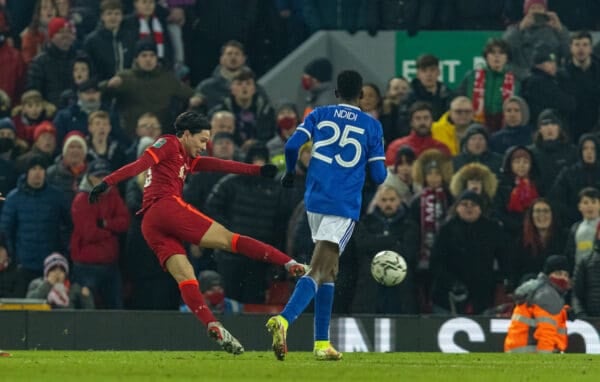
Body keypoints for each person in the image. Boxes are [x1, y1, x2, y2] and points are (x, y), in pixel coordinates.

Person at [88, 111, 307, 354]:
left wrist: (254, 171)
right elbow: (141, 163)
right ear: (186, 134)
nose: (205, 146)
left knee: (186, 276)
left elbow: (216, 164)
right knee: (229, 239)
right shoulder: (169, 143)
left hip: (150, 223)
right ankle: (289, 264)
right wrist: (108, 182)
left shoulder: (186, 156)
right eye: (202, 140)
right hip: (166, 207)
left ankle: (212, 324)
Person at [265, 70, 387, 361]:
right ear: (361, 96)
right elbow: (380, 175)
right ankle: (283, 320)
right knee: (320, 269)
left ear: (336, 93)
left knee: (329, 271)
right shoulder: (371, 126)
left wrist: (291, 173)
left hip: (315, 200)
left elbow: (293, 145)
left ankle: (321, 343)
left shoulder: (319, 114)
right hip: (342, 204)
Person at [504, 255, 570, 353]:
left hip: (519, 351)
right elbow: (546, 334)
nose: (563, 278)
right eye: (558, 273)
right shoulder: (547, 295)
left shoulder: (538, 291)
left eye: (566, 275)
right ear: (548, 275)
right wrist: (545, 363)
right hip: (530, 355)